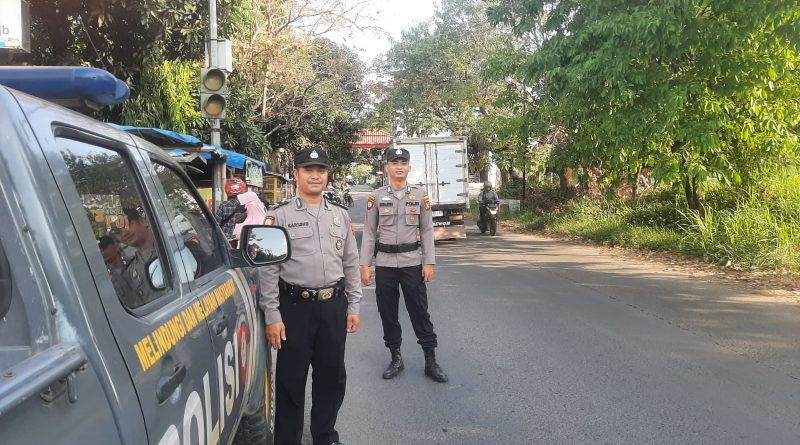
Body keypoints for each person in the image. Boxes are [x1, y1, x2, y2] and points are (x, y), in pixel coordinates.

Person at [257, 147, 362, 445]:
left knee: (332, 377)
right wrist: (272, 315)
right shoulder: (277, 216)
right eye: (308, 170)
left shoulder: (340, 215)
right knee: (291, 381)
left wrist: (354, 305)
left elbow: (351, 263)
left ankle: (325, 436)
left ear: (328, 175)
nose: (315, 175)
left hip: (333, 307)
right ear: (296, 174)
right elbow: (268, 269)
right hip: (294, 309)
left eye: (321, 170)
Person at [359, 147, 449, 383]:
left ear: (409, 167)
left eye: (403, 163)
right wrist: (365, 264)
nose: (399, 167)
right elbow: (369, 232)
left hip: (412, 262)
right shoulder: (376, 196)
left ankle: (430, 360)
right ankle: (395, 357)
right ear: (386, 167)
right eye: (394, 163)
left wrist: (429, 262)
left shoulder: (419, 195)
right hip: (385, 264)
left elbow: (426, 230)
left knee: (419, 311)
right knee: (387, 312)